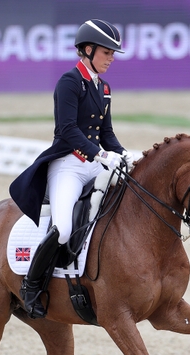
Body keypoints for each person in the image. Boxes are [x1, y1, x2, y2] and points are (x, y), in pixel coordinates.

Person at [9, 19, 133, 319]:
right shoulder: (69, 81)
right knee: (63, 229)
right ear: (88, 50)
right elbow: (66, 129)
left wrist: (123, 153)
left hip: (94, 165)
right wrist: (101, 154)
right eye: (107, 52)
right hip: (68, 166)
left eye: (113, 54)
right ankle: (31, 286)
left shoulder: (103, 88)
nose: (111, 59)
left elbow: (107, 131)